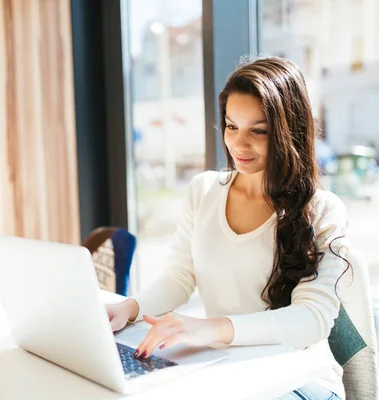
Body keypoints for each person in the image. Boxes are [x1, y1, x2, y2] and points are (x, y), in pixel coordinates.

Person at [106, 57, 349, 400]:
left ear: (288, 131)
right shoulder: (203, 191)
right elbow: (179, 278)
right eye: (232, 126)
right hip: (228, 369)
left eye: (258, 131)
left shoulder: (322, 210)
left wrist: (209, 330)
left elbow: (312, 319)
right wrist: (128, 309)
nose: (238, 143)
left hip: (297, 380)